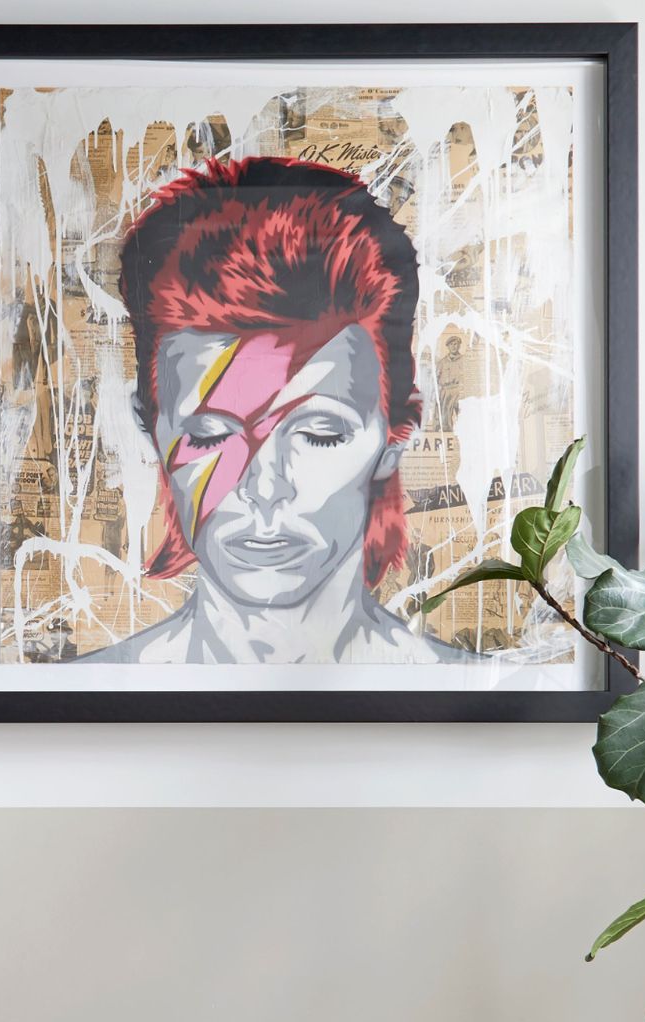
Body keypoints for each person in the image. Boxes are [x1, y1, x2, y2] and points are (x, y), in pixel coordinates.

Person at [86, 156, 471, 667]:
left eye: (319, 433)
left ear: (397, 434)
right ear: (150, 427)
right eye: (208, 436)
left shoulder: (480, 702)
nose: (264, 489)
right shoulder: (71, 704)